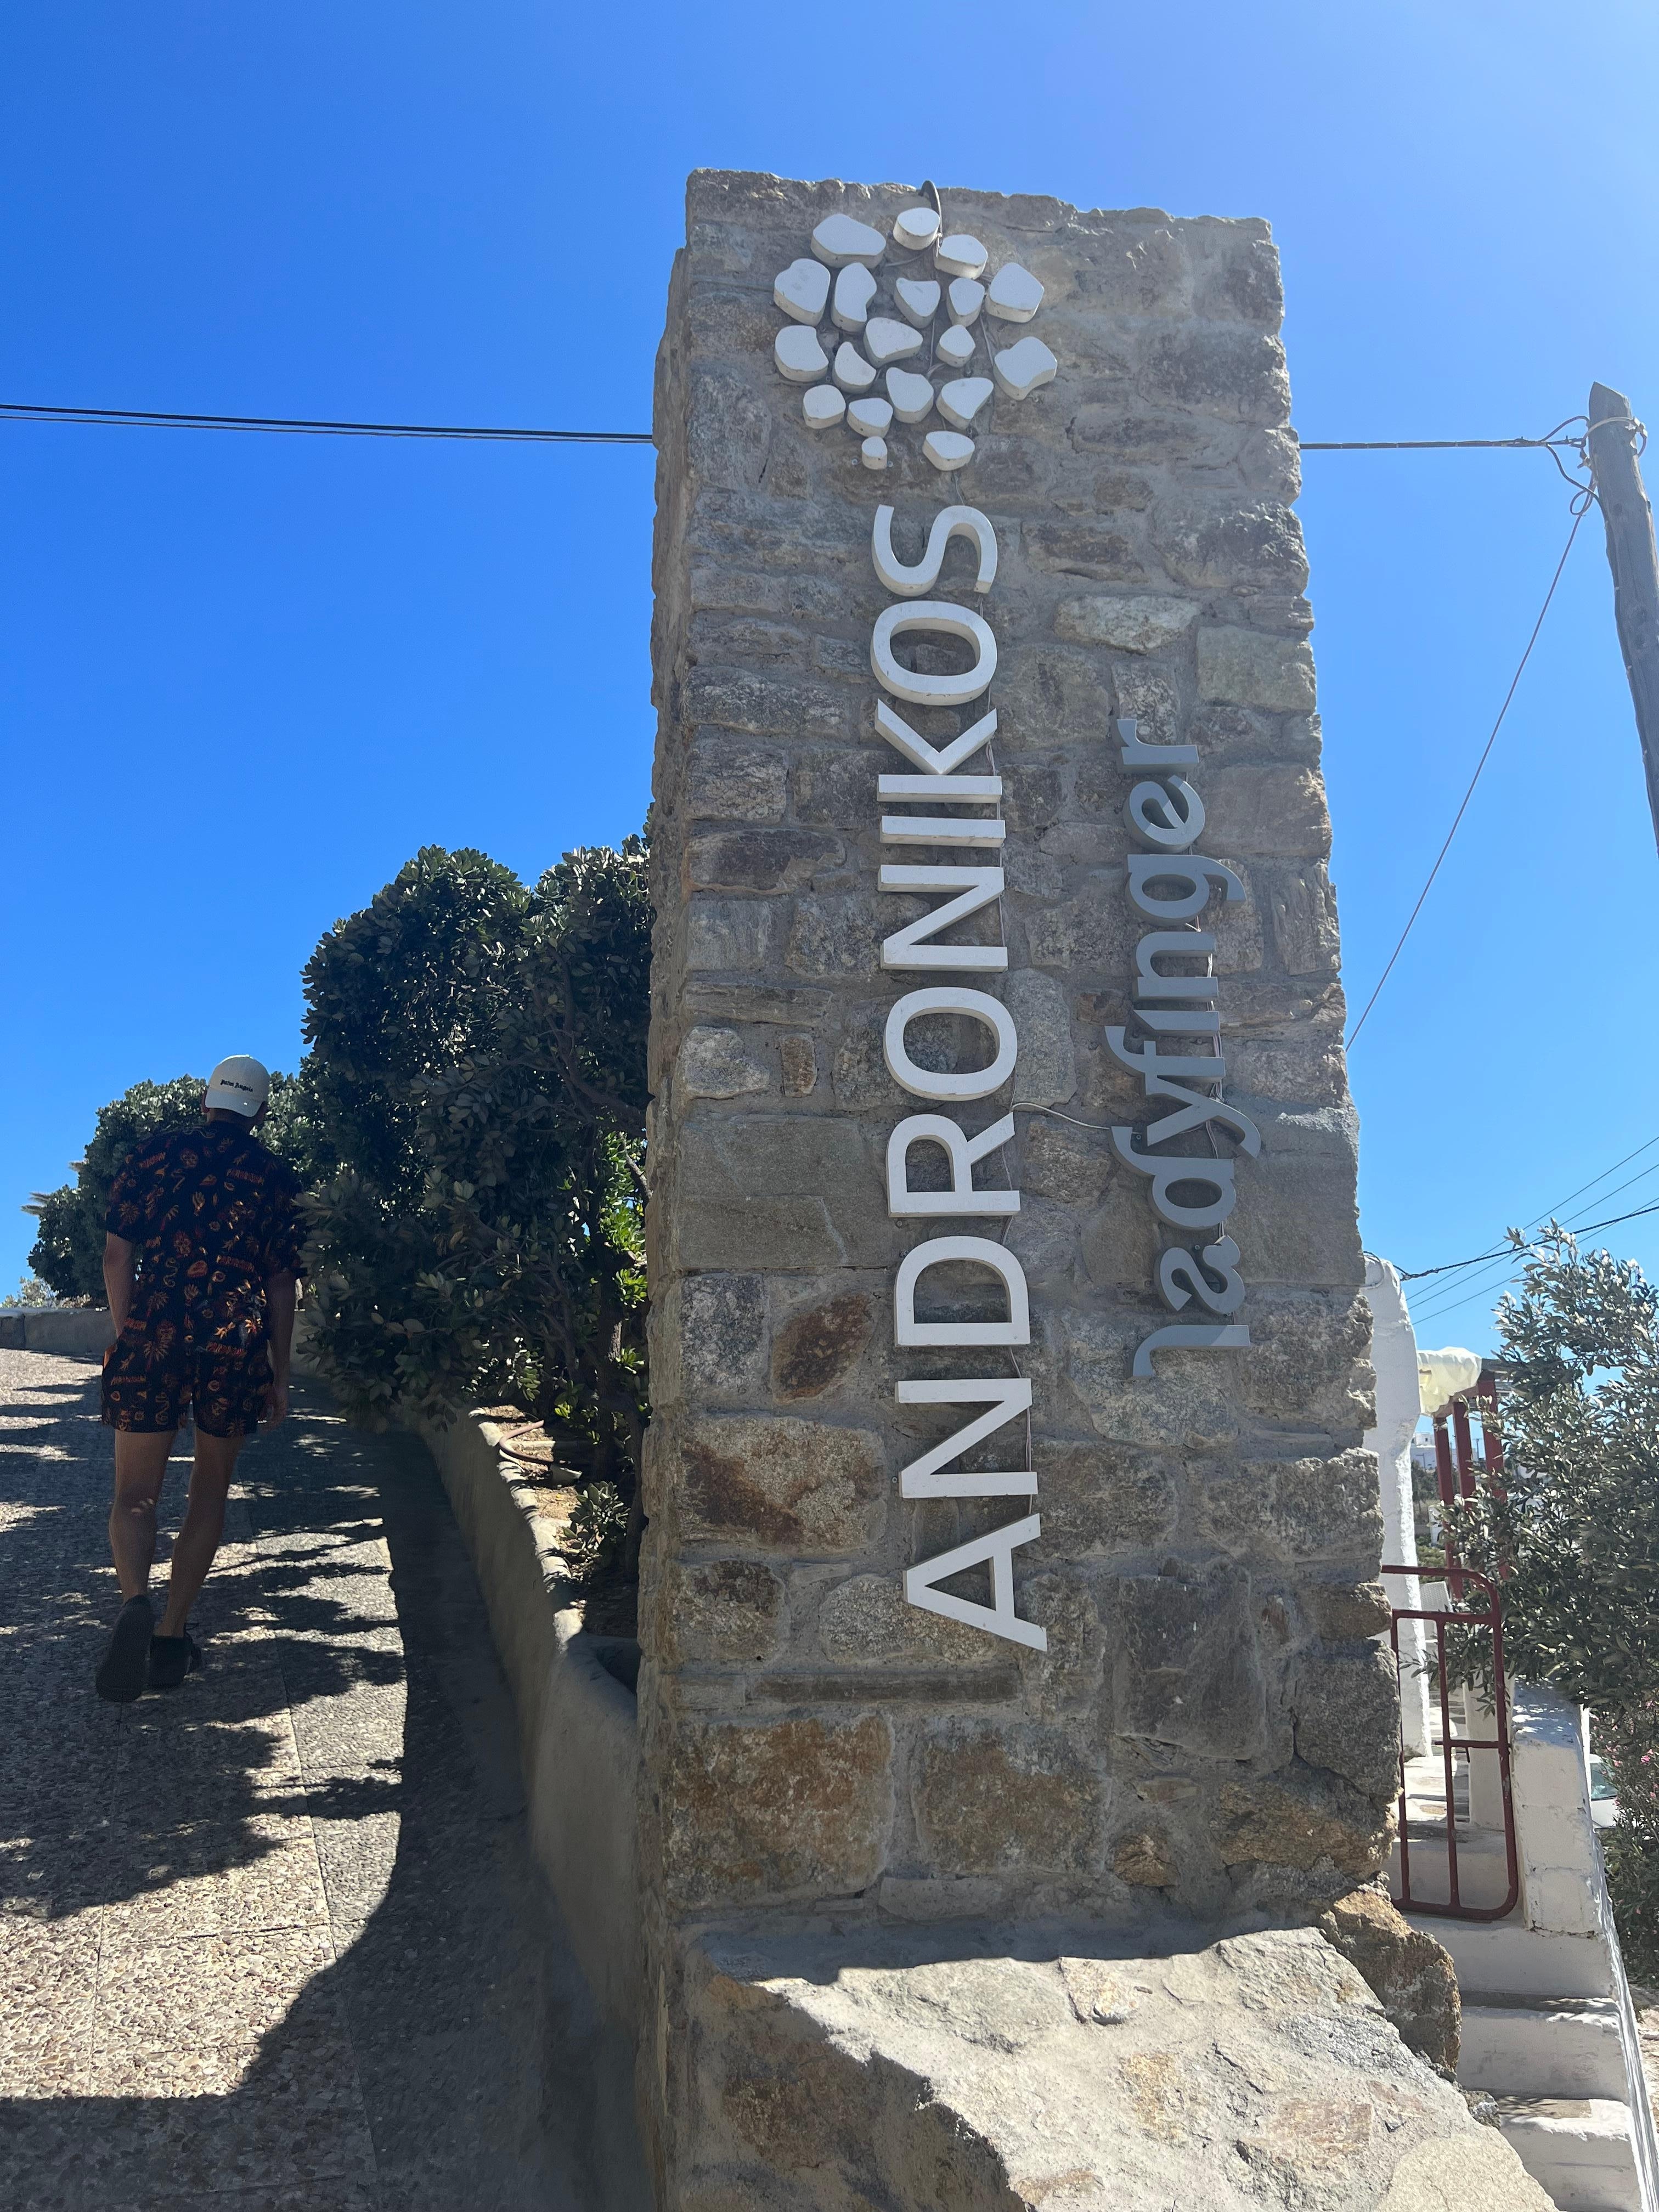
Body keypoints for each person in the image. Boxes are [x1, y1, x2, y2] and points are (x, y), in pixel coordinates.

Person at [93, 1055, 304, 1702]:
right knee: (209, 1492)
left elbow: (116, 1254)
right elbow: (281, 1283)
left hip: (154, 1328)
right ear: (260, 1113)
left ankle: (135, 1600)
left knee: (135, 1495)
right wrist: (281, 1373)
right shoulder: (275, 1178)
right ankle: (170, 1637)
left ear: (205, 1103)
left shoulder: (152, 1155)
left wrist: (131, 1333)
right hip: (231, 1339)